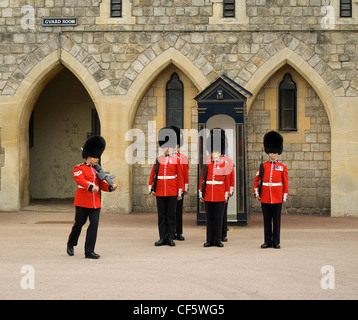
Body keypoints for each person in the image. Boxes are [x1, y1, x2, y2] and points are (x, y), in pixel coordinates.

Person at [67, 135, 117, 259]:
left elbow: (101, 185)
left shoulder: (97, 170)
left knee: (93, 226)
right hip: (82, 201)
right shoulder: (79, 168)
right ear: (89, 157)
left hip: (95, 203)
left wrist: (110, 187)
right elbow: (80, 180)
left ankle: (89, 251)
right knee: (79, 224)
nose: (97, 159)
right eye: (96, 157)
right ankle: (71, 243)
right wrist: (90, 186)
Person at [149, 127, 184, 246]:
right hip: (160, 191)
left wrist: (180, 192)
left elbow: (180, 177)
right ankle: (162, 237)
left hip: (172, 190)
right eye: (165, 146)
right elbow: (153, 174)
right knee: (161, 216)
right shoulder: (159, 159)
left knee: (171, 215)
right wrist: (152, 188)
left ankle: (170, 237)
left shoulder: (176, 160)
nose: (167, 149)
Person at [254, 131, 288, 249]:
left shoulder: (282, 167)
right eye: (271, 153)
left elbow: (285, 182)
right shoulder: (263, 166)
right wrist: (256, 193)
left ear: (278, 153)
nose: (272, 155)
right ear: (268, 153)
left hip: (277, 196)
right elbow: (257, 179)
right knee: (267, 220)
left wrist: (285, 195)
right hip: (265, 196)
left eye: (275, 153)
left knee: (277, 221)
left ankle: (276, 241)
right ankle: (267, 241)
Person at [199, 129, 230, 248]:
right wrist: (201, 193)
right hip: (208, 195)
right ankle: (209, 239)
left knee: (218, 219)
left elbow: (226, 181)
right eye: (212, 152)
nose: (214, 154)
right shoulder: (207, 164)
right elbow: (203, 179)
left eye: (216, 151)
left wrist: (226, 195)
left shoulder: (224, 164)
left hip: (219, 195)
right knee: (209, 219)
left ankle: (217, 239)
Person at [170, 126, 189, 241]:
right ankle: (171, 231)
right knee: (171, 211)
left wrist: (185, 187)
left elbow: (185, 174)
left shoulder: (183, 157)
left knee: (178, 210)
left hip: (180, 187)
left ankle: (179, 232)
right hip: (172, 186)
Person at [218, 129, 235, 242]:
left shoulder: (227, 158)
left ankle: (223, 232)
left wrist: (230, 189)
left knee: (223, 211)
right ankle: (218, 232)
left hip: (224, 187)